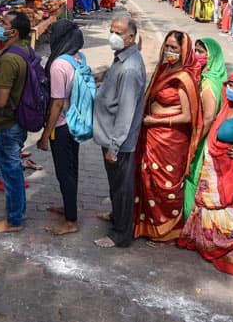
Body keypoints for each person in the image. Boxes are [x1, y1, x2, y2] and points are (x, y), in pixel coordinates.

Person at [179, 70, 233, 277]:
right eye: (230, 85)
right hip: (219, 167)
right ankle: (210, 246)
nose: (231, 90)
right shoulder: (231, 107)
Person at [134, 30, 203, 245]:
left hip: (171, 140)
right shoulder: (164, 69)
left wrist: (155, 122)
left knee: (166, 183)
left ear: (184, 51)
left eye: (174, 48)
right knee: (148, 179)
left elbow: (187, 116)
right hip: (152, 135)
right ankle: (148, 225)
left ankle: (166, 230)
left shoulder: (183, 78)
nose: (169, 51)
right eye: (167, 47)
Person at [93, 17, 147, 248]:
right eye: (111, 30)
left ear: (131, 37)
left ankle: (121, 234)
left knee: (122, 187)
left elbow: (126, 113)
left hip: (120, 141)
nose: (112, 35)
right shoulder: (123, 58)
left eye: (118, 32)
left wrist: (114, 147)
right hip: (111, 135)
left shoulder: (131, 68)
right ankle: (117, 216)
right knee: (115, 183)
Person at [0, 11, 32, 234]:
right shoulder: (25, 50)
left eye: (4, 23)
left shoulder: (9, 59)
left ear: (14, 31)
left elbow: (1, 101)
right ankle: (19, 211)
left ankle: (14, 220)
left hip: (6, 124)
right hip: (18, 119)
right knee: (14, 170)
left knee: (10, 172)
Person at [36, 20, 85, 235]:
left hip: (62, 126)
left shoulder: (58, 65)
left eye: (52, 33)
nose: (49, 36)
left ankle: (71, 221)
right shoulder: (78, 57)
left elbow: (56, 103)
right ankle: (69, 207)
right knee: (71, 168)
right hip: (76, 122)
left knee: (64, 172)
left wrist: (45, 135)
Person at [183, 38, 226, 220]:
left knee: (193, 177)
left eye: (202, 52)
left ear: (212, 55)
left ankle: (188, 223)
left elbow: (208, 117)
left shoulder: (209, 83)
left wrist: (195, 142)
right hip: (210, 136)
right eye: (196, 50)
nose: (197, 55)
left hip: (204, 139)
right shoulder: (219, 77)